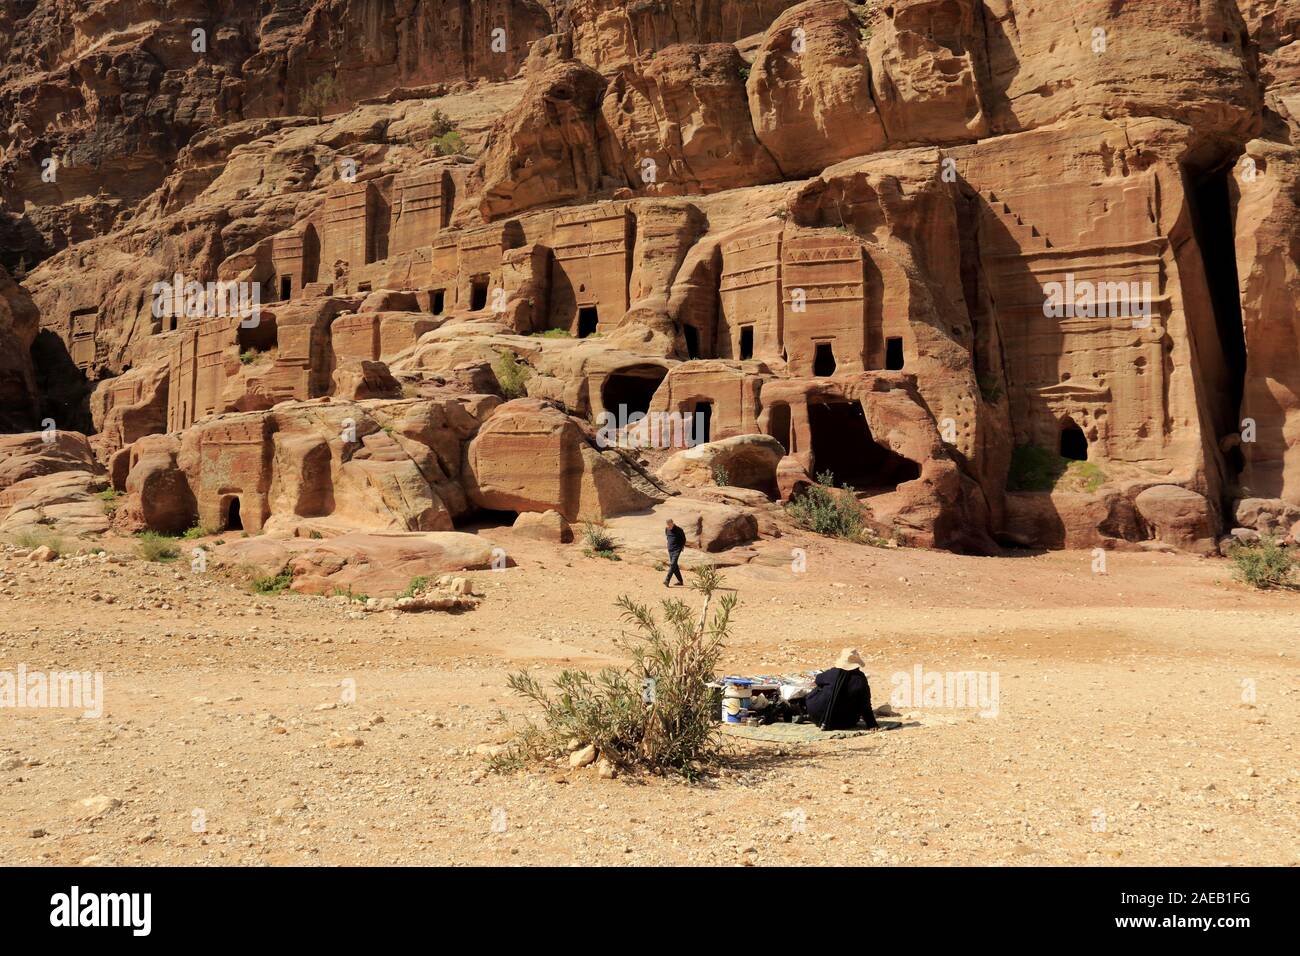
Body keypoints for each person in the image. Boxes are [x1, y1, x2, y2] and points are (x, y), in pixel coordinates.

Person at [804, 648, 878, 731]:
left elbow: (818, 680)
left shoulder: (832, 672)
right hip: (844, 722)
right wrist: (871, 724)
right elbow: (865, 705)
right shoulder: (860, 679)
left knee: (819, 688)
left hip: (816, 716)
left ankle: (807, 714)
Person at [663, 518, 686, 587]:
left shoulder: (679, 530)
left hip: (677, 549)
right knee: (674, 565)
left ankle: (667, 580)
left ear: (672, 523)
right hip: (670, 549)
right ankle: (680, 581)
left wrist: (681, 547)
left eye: (669, 525)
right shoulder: (667, 529)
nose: (668, 526)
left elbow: (684, 539)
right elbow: (668, 537)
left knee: (672, 564)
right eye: (667, 525)